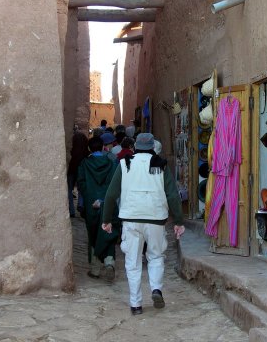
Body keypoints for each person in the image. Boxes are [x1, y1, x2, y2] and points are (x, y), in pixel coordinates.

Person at [102, 133, 185, 315]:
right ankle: (156, 289)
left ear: (135, 147)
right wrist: (178, 221)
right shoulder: (161, 165)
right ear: (153, 147)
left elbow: (110, 194)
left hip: (131, 219)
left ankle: (136, 304)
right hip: (156, 219)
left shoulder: (125, 164)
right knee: (155, 256)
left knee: (133, 261)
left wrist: (106, 219)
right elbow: (172, 194)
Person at [77, 136, 120, 281]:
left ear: (89, 148)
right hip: (108, 203)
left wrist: (90, 196)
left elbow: (81, 183)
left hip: (91, 203)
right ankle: (109, 262)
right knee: (108, 230)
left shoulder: (84, 164)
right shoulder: (111, 162)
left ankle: (95, 269)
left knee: (93, 233)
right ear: (103, 147)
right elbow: (115, 183)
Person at [67, 125, 88, 218]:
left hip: (72, 166)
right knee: (81, 188)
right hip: (82, 166)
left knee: (69, 189)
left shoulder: (70, 139)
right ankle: (81, 205)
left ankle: (71, 210)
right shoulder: (83, 137)